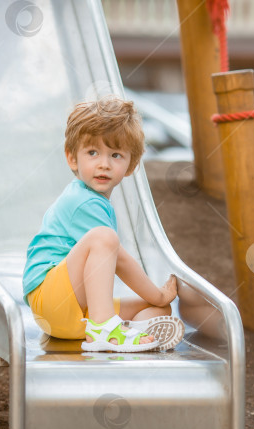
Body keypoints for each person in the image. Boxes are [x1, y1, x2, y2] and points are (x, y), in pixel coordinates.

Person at [22, 96, 185, 353]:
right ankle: (105, 330)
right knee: (105, 238)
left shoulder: (97, 202)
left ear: (131, 165)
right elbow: (118, 259)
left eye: (116, 155)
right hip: (51, 300)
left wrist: (157, 302)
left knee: (155, 310)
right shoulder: (83, 201)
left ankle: (135, 332)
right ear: (72, 158)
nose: (104, 164)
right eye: (92, 152)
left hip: (74, 316)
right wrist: (158, 293)